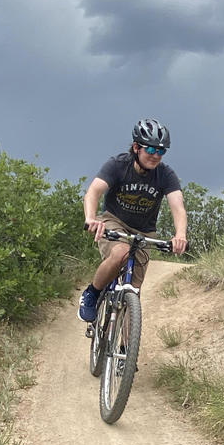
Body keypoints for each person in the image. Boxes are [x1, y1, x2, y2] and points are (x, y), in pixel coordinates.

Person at [79, 118, 188, 322]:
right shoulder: (118, 165)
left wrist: (180, 235)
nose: (156, 156)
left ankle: (124, 349)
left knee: (134, 293)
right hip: (114, 221)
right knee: (120, 252)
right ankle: (92, 294)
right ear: (136, 147)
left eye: (161, 151)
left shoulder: (166, 174)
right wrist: (91, 218)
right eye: (151, 150)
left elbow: (178, 207)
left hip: (144, 231)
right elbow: (93, 192)